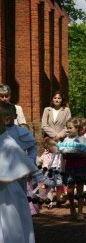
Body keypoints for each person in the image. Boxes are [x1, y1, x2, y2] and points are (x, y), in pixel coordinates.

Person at [0, 101, 37, 243]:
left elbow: (25, 155)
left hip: (9, 191)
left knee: (12, 224)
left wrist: (31, 162)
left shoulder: (9, 141)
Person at [58, 117, 86, 220]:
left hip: (80, 167)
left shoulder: (83, 139)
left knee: (80, 190)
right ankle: (72, 206)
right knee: (70, 190)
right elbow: (62, 151)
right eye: (67, 128)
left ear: (77, 128)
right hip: (70, 167)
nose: (67, 130)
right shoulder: (66, 140)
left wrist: (78, 152)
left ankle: (80, 211)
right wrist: (64, 152)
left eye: (70, 128)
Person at [5, 103, 37, 193]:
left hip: (19, 169)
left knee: (20, 194)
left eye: (9, 114)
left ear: (15, 116)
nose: (6, 117)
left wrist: (30, 160)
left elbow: (33, 146)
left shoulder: (21, 131)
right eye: (3, 115)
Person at [37, 137, 65, 208]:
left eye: (55, 146)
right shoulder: (45, 154)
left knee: (59, 187)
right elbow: (40, 160)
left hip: (58, 170)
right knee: (50, 188)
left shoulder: (59, 152)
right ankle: (50, 202)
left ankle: (58, 200)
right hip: (50, 171)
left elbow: (62, 160)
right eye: (52, 146)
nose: (54, 148)